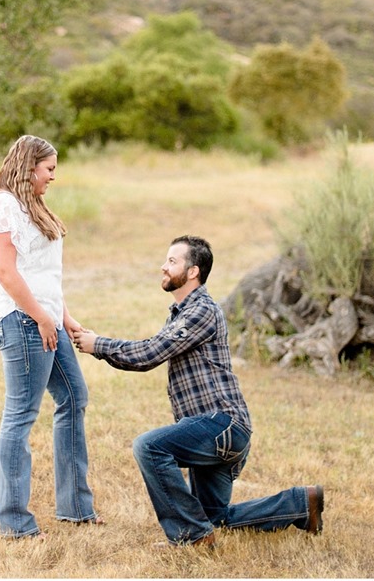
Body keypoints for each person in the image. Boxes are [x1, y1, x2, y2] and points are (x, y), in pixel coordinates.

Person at [73, 235, 324, 548]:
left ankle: (190, 536)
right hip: (218, 432)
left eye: (172, 261)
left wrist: (99, 344)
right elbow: (143, 355)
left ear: (192, 272)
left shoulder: (202, 311)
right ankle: (301, 504)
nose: (163, 267)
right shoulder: (181, 313)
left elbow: (149, 354)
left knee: (149, 447)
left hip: (221, 425)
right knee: (214, 517)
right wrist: (95, 343)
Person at [0, 135, 100, 538]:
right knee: (20, 416)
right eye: (49, 169)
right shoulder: (3, 207)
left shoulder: (34, 206)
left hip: (46, 319)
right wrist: (41, 318)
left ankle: (76, 507)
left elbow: (44, 276)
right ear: (29, 166)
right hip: (21, 321)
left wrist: (64, 318)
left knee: (74, 397)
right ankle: (12, 522)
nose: (53, 176)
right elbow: (6, 272)